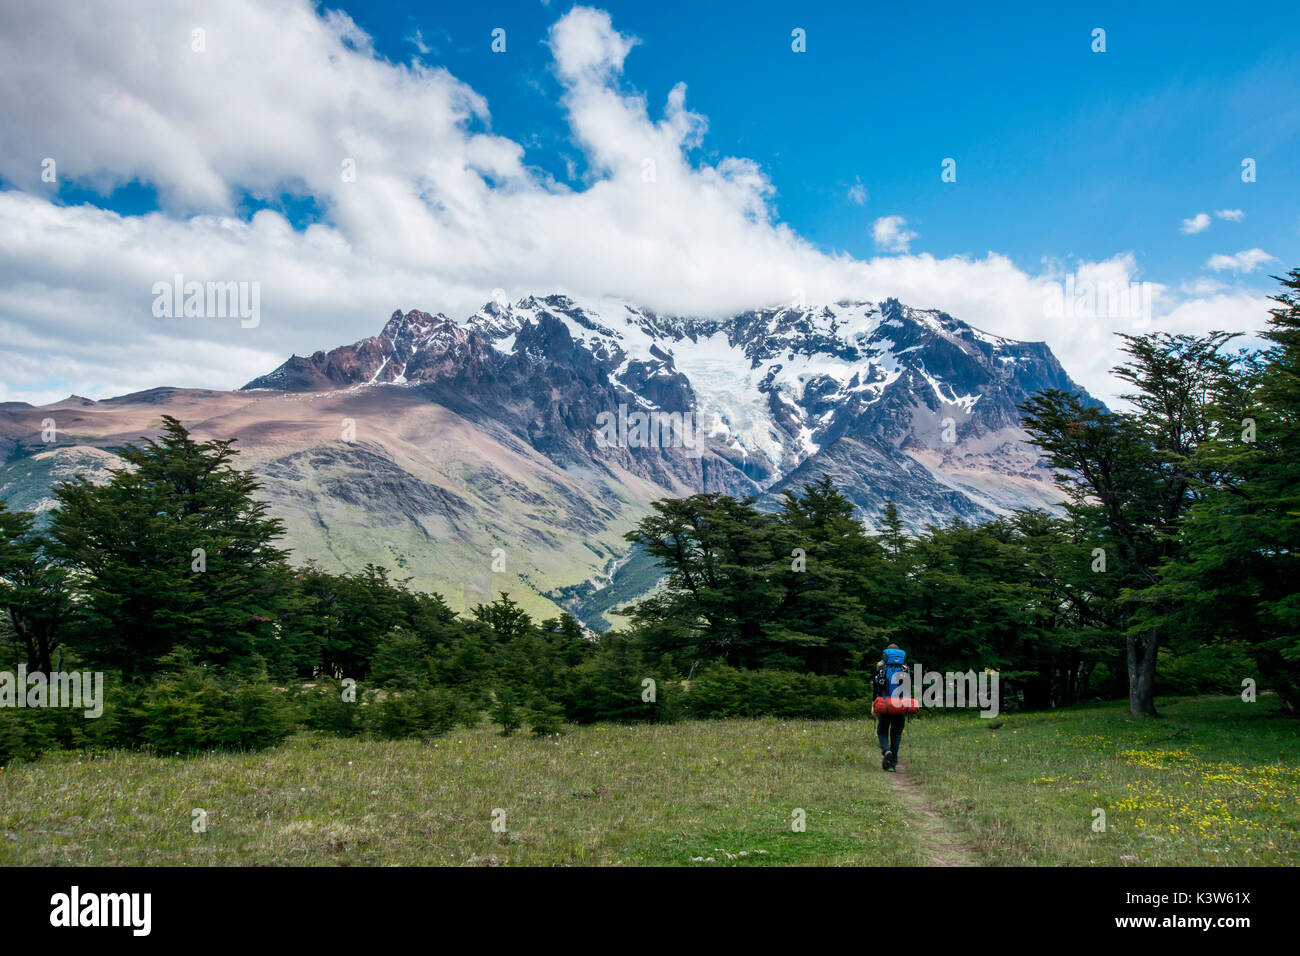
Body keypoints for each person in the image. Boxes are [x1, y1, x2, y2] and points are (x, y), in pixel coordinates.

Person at [873, 643, 914, 771]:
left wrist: (874, 705)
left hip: (884, 706)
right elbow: (908, 691)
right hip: (900, 707)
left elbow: (876, 689)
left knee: (882, 731)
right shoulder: (905, 670)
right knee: (896, 735)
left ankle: (886, 751)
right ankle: (892, 765)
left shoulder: (881, 669)